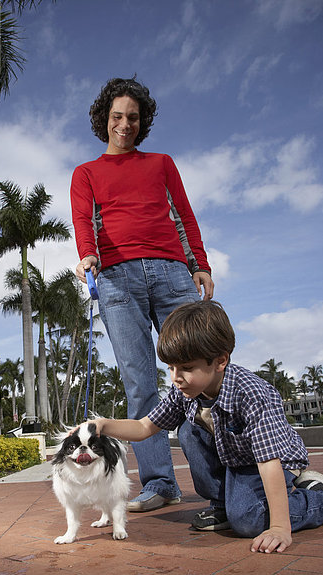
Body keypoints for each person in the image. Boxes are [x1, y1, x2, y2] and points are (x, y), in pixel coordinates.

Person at [70, 77, 214, 512]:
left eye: (133, 117)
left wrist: (200, 264)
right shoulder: (87, 173)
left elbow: (184, 215)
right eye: (117, 117)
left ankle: (223, 477)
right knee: (139, 380)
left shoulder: (162, 163)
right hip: (116, 278)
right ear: (104, 119)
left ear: (142, 121)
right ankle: (160, 484)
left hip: (172, 272)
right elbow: (82, 221)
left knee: (202, 373)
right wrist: (87, 256)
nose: (125, 125)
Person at [85, 300, 323, 554]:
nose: (176, 377)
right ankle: (221, 505)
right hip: (235, 459)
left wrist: (279, 527)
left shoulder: (252, 394)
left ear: (220, 361)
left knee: (248, 520)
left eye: (186, 368)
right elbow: (144, 427)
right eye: (171, 367)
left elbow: (268, 463)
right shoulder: (185, 391)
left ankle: (315, 496)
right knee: (188, 430)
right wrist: (102, 425)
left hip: (274, 462)